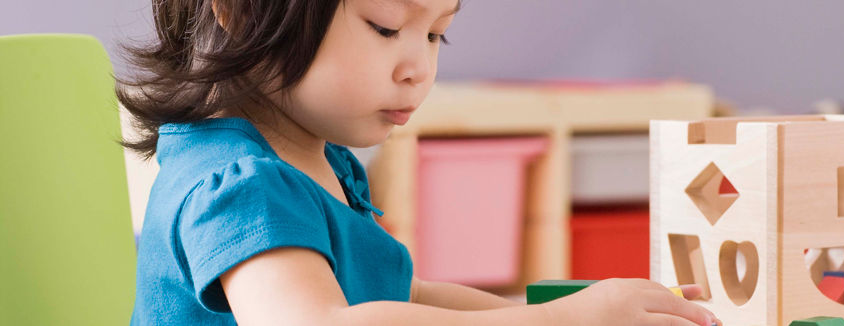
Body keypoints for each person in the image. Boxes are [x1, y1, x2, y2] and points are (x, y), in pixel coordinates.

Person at [120, 0, 721, 325]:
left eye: (436, 35)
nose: (419, 68)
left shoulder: (325, 161)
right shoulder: (240, 184)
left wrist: (571, 311)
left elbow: (396, 293)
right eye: (386, 28)